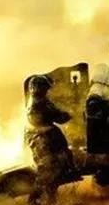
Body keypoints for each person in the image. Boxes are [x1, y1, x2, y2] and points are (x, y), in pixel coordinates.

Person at [25, 75, 76, 205]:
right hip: (42, 141)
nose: (46, 91)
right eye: (44, 88)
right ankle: (34, 201)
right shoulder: (39, 103)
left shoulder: (39, 101)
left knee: (53, 173)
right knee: (47, 173)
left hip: (44, 140)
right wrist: (69, 113)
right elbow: (58, 116)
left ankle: (48, 200)